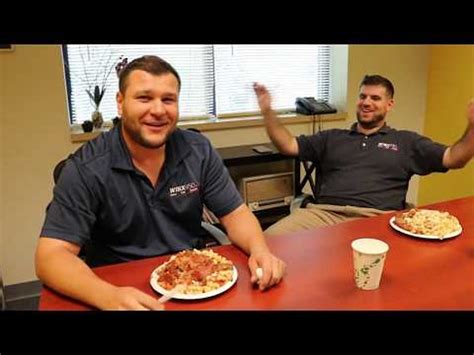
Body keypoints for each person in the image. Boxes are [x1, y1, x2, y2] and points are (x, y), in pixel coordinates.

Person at [36, 55, 286, 310]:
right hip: (118, 287)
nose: (158, 110)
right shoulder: (86, 168)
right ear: (120, 103)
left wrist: (260, 250)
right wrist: (107, 296)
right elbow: (51, 256)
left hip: (194, 282)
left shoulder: (198, 150)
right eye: (144, 98)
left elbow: (236, 214)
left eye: (168, 99)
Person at [253, 75, 474, 236]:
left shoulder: (407, 142)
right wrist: (267, 112)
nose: (367, 102)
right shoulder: (331, 138)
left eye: (375, 98)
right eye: (363, 96)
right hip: (322, 214)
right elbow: (288, 145)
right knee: (268, 242)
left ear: (389, 105)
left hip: (377, 219)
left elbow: (453, 158)